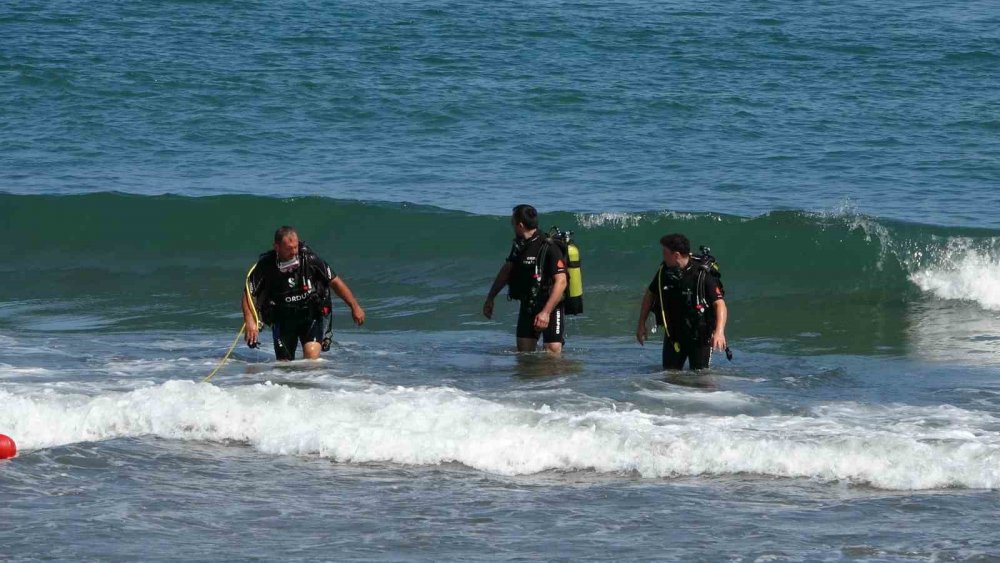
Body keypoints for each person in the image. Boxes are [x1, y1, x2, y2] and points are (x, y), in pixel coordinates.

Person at [242, 226, 365, 360]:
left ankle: (309, 380)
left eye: (296, 247)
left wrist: (354, 306)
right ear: (276, 247)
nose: (294, 252)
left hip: (310, 315)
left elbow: (335, 282)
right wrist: (250, 321)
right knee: (284, 364)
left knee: (311, 358)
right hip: (282, 319)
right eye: (289, 249)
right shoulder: (265, 266)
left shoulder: (310, 259)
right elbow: (248, 294)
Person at [483, 205, 569, 355]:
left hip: (551, 307)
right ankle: (530, 378)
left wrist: (545, 313)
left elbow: (561, 281)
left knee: (552, 351)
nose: (512, 226)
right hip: (528, 304)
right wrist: (491, 297)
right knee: (524, 354)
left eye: (513, 223)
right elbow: (506, 271)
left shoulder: (549, 246)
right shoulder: (518, 245)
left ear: (520, 225)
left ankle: (555, 379)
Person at [636, 233, 728, 370]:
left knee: (700, 380)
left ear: (676, 255)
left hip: (700, 336)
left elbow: (720, 304)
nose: (663, 256)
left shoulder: (702, 274)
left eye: (665, 252)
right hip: (674, 334)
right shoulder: (664, 271)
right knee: (669, 377)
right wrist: (641, 324)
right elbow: (650, 294)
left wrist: (719, 332)